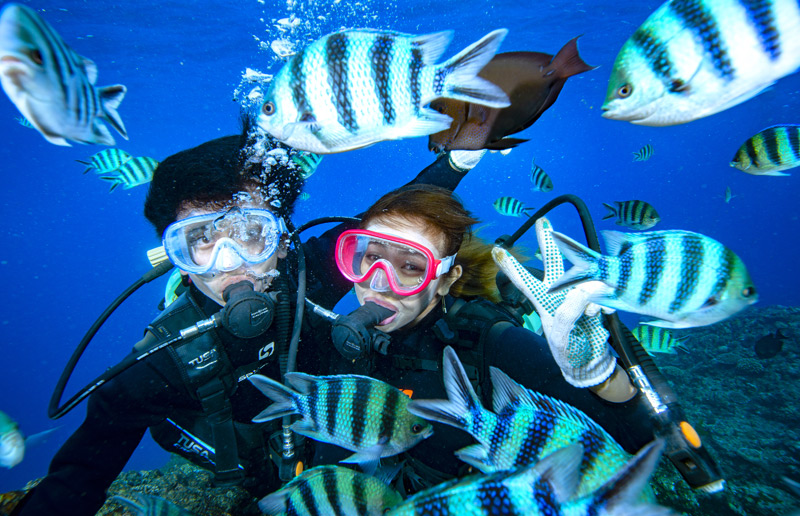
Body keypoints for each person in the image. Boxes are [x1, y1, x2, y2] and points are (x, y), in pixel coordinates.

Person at [13, 123, 484, 516]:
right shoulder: (165, 358)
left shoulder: (303, 275)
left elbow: (380, 221)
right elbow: (80, 473)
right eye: (202, 239)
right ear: (177, 257)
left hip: (329, 434)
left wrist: (460, 158)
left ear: (281, 241)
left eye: (250, 234)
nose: (231, 263)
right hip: (247, 460)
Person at [313, 183, 655, 492]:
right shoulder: (349, 342)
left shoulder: (493, 344)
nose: (379, 282)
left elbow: (636, 442)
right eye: (372, 258)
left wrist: (602, 376)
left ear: (446, 280)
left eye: (411, 267)